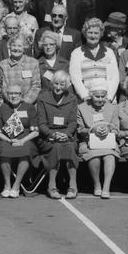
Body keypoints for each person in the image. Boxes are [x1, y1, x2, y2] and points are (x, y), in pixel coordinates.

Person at [34, 69, 79, 200]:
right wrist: (52, 134)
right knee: (56, 148)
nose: (58, 87)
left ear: (67, 86)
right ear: (52, 83)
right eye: (56, 84)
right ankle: (51, 185)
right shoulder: (42, 98)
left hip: (67, 135)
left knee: (70, 147)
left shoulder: (72, 98)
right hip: (47, 136)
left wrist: (66, 134)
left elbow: (73, 122)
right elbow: (41, 123)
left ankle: (73, 185)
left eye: (62, 84)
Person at [77, 77, 120, 199]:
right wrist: (92, 130)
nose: (100, 99)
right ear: (91, 95)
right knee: (94, 156)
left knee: (110, 156)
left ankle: (106, 187)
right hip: (89, 142)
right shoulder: (82, 107)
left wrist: (109, 129)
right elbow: (79, 129)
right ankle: (97, 185)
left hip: (108, 143)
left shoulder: (112, 107)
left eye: (103, 96)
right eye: (97, 96)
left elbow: (117, 128)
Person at [0, 82, 39, 198]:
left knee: (26, 150)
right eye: (10, 93)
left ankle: (16, 185)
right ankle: (7, 185)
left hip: (26, 139)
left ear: (22, 95)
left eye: (16, 93)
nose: (13, 96)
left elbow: (36, 131)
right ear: (7, 95)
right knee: (4, 150)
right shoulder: (3, 108)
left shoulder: (29, 108)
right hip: (7, 139)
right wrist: (9, 140)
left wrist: (22, 141)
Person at [68, 17, 120, 102]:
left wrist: (109, 98)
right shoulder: (76, 53)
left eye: (96, 33)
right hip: (86, 100)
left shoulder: (109, 52)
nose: (93, 36)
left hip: (106, 100)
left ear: (101, 34)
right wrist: (84, 96)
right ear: (85, 33)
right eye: (90, 32)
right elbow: (75, 78)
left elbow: (114, 77)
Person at [0, 33, 41, 104]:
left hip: (29, 105)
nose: (16, 48)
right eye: (13, 45)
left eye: (19, 46)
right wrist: (13, 101)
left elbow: (36, 86)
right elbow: (3, 87)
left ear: (24, 48)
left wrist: (25, 102)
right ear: (9, 47)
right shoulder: (3, 64)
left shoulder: (33, 63)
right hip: (10, 104)